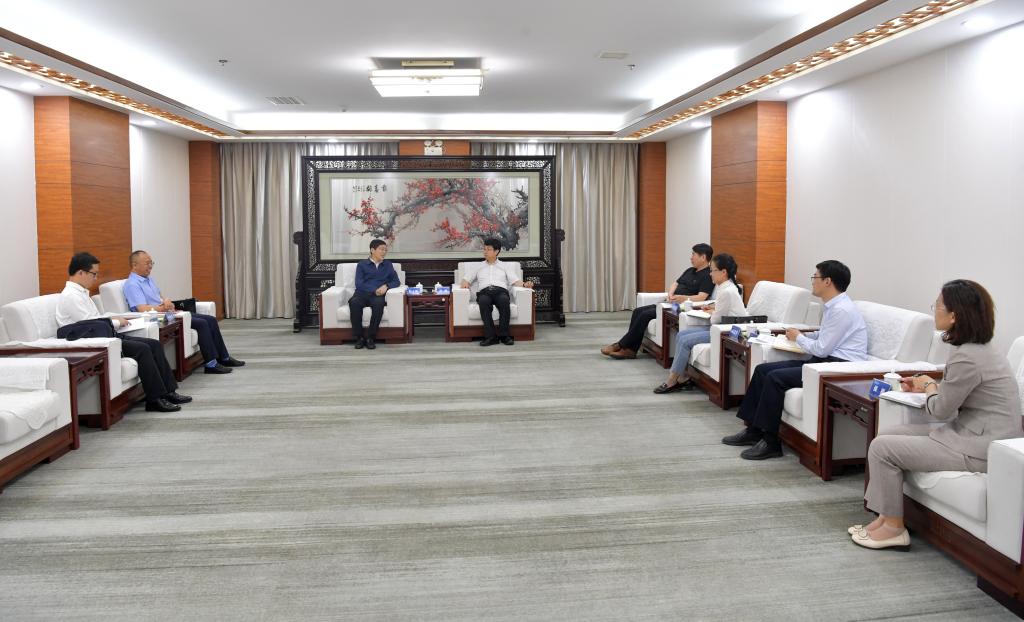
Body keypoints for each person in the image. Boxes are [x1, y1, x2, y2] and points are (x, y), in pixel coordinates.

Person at [850, 280, 1023, 550]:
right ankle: (884, 517)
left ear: (954, 315)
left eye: (938, 305)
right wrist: (929, 386)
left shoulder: (967, 356)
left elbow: (941, 410)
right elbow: (962, 392)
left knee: (883, 448)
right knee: (888, 434)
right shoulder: (978, 350)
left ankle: (894, 529)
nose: (934, 309)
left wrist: (930, 386)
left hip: (980, 447)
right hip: (973, 433)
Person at [722, 259, 868, 460]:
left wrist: (799, 338)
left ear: (827, 281)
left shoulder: (841, 310)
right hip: (824, 360)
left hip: (837, 366)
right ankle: (753, 430)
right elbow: (824, 337)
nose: (812, 281)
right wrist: (801, 335)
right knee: (763, 370)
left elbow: (822, 349)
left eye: (815, 277)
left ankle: (771, 442)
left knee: (775, 378)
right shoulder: (834, 306)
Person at [56, 252, 190, 413]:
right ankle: (154, 399)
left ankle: (169, 392)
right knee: (143, 349)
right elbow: (89, 325)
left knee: (154, 344)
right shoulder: (71, 296)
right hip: (96, 342)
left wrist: (116, 317)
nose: (96, 278)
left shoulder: (82, 293)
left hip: (106, 335)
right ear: (80, 272)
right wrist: (115, 322)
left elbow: (96, 318)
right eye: (94, 274)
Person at [122, 250, 244, 374]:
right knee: (202, 324)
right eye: (147, 263)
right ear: (134, 265)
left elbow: (159, 298)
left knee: (211, 320)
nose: (150, 266)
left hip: (167, 313)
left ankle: (224, 357)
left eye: (151, 263)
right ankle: (211, 364)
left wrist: (167, 302)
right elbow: (142, 309)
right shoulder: (132, 284)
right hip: (155, 318)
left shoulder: (148, 279)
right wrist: (164, 308)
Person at [602, 243, 715, 360]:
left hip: (680, 308)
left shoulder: (708, 275)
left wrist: (682, 298)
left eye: (693, 254)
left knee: (645, 315)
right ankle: (630, 350)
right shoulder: (690, 270)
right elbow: (675, 283)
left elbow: (702, 297)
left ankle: (621, 345)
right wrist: (670, 294)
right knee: (638, 311)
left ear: (703, 257)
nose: (691, 257)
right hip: (669, 303)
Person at [653, 253, 747, 394]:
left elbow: (715, 320)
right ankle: (682, 377)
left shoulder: (727, 291)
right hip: (718, 327)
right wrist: (713, 309)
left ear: (723, 272)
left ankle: (672, 380)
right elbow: (721, 310)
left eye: (713, 270)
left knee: (685, 340)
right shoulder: (725, 287)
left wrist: (712, 312)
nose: (710, 274)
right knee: (681, 335)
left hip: (727, 333)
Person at [459, 237, 534, 346]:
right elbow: (465, 280)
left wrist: (524, 284)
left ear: (496, 251)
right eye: (484, 249)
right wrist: (465, 283)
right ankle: (491, 337)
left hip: (500, 291)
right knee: (483, 302)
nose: (485, 252)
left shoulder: (505, 266)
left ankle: (505, 336)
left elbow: (515, 281)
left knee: (504, 301)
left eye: (488, 249)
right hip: (484, 292)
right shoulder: (478, 266)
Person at [350, 239, 402, 350]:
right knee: (354, 303)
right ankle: (359, 337)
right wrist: (374, 290)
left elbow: (396, 281)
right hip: (362, 293)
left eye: (385, 250)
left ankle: (370, 338)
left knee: (379, 304)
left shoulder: (388, 265)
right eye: (381, 249)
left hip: (378, 296)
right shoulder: (362, 264)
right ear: (372, 250)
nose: (384, 252)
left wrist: (386, 286)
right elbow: (359, 283)